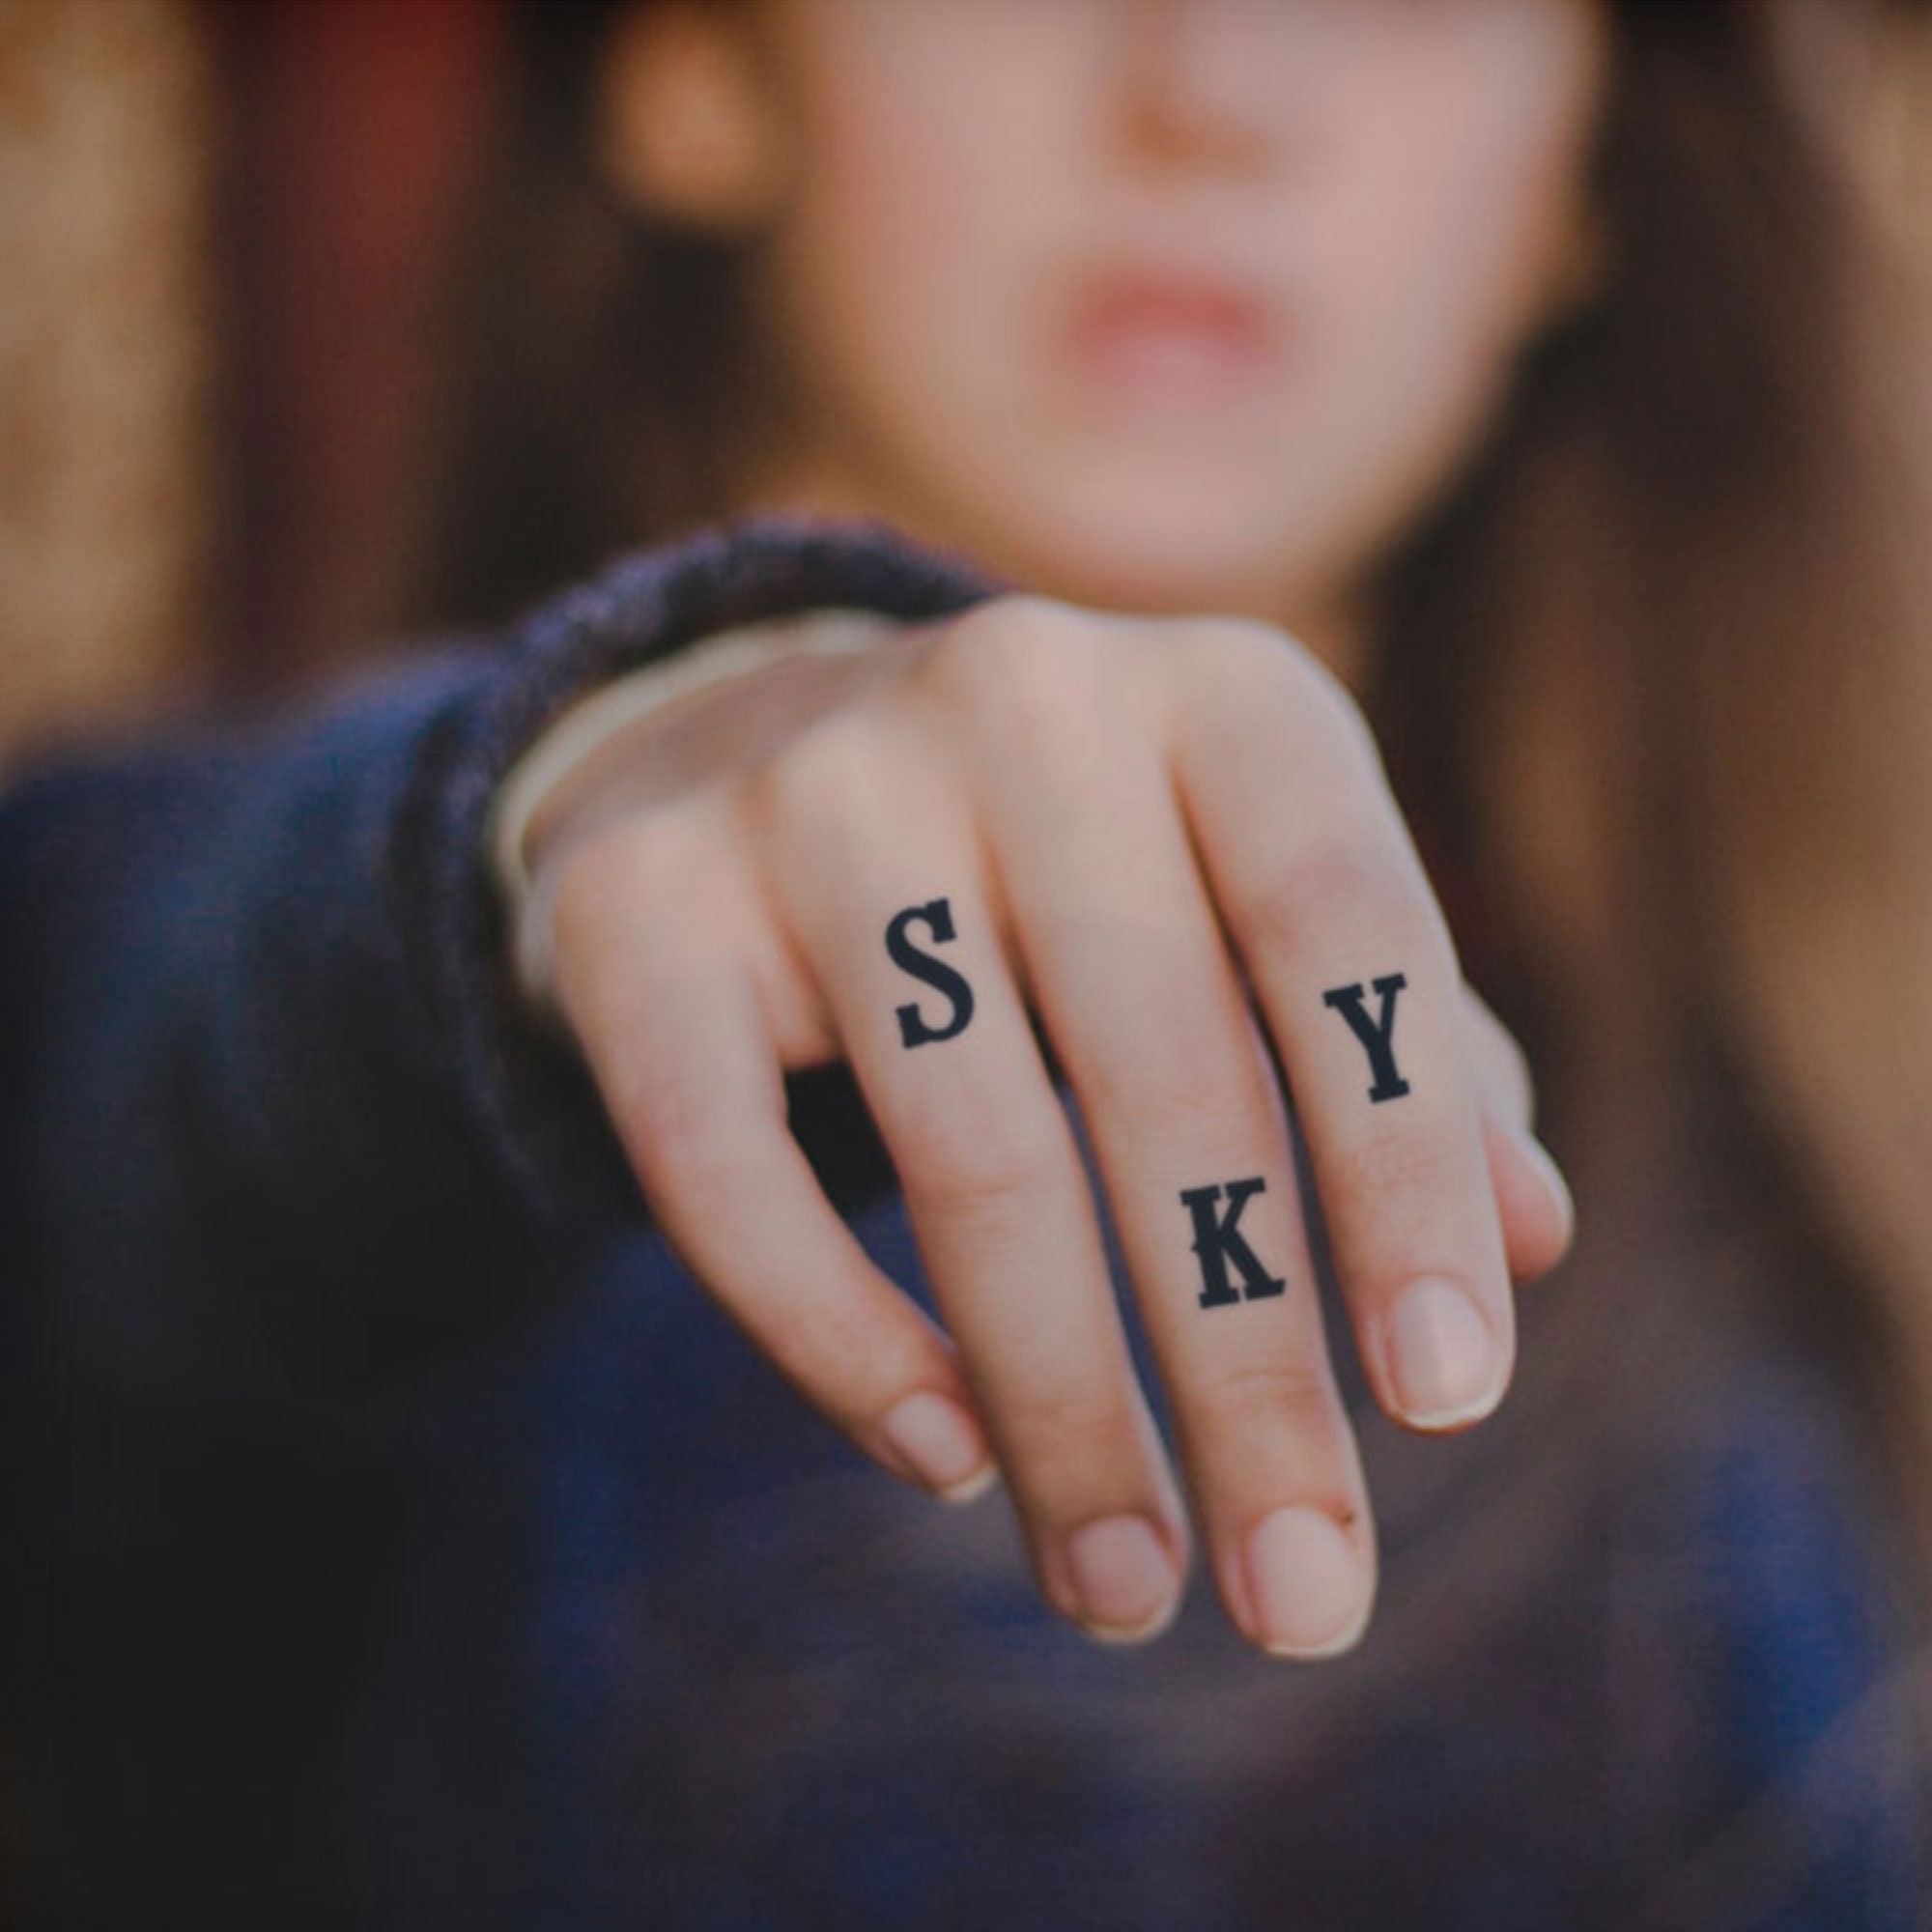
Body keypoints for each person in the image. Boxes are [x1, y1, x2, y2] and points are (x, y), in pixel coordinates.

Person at [3, 0, 1929, 1924]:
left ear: (1567, 196)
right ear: (695, 67)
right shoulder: (286, 995)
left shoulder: (1794, 1141)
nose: (1216, 93)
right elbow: (150, 1054)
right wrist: (584, 779)